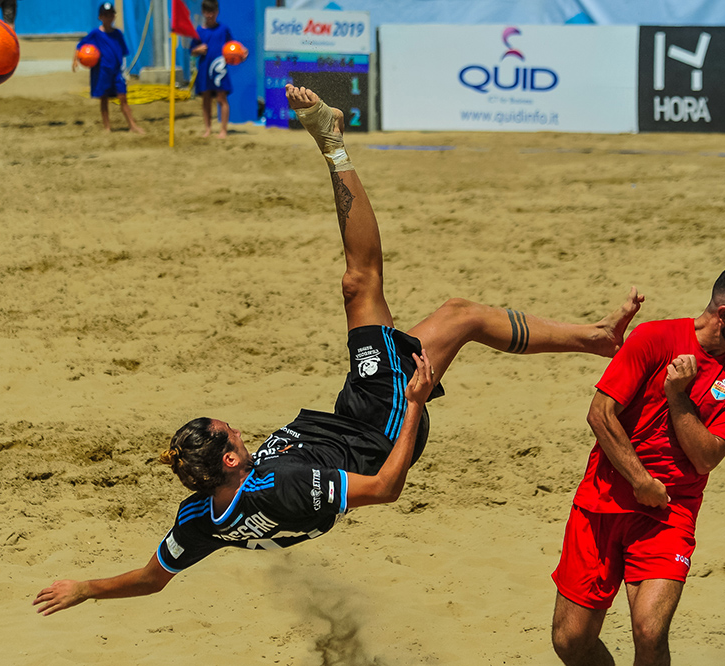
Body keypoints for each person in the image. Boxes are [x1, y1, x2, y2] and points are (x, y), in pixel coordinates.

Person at [33, 84, 644, 616]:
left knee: (460, 317)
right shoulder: (281, 487)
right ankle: (332, 143)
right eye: (235, 437)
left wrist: (86, 588)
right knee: (361, 281)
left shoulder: (197, 521)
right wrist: (414, 405)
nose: (242, 435)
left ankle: (596, 339)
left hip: (349, 415)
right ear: (227, 461)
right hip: (379, 427)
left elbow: (151, 580)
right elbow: (383, 489)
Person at [550, 262, 725, 666]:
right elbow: (600, 414)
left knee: (650, 632)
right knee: (570, 641)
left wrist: (678, 397)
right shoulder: (655, 337)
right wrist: (640, 480)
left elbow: (706, 457)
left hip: (668, 515)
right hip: (600, 504)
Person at [72, 3, 144, 134]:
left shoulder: (117, 34)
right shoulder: (96, 33)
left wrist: (124, 71)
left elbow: (123, 53)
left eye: (111, 15)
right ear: (100, 17)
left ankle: (132, 125)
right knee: (104, 99)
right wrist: (75, 60)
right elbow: (80, 45)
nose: (109, 18)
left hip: (116, 72)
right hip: (102, 72)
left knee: (123, 98)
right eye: (106, 15)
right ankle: (107, 127)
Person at [190, 0, 234, 138]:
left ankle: (223, 130)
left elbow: (233, 46)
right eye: (207, 12)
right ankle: (208, 129)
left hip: (219, 69)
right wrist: (198, 49)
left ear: (217, 12)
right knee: (206, 99)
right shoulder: (199, 31)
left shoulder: (223, 29)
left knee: (222, 98)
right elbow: (191, 51)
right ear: (203, 12)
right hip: (204, 69)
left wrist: (242, 51)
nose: (210, 15)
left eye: (212, 12)